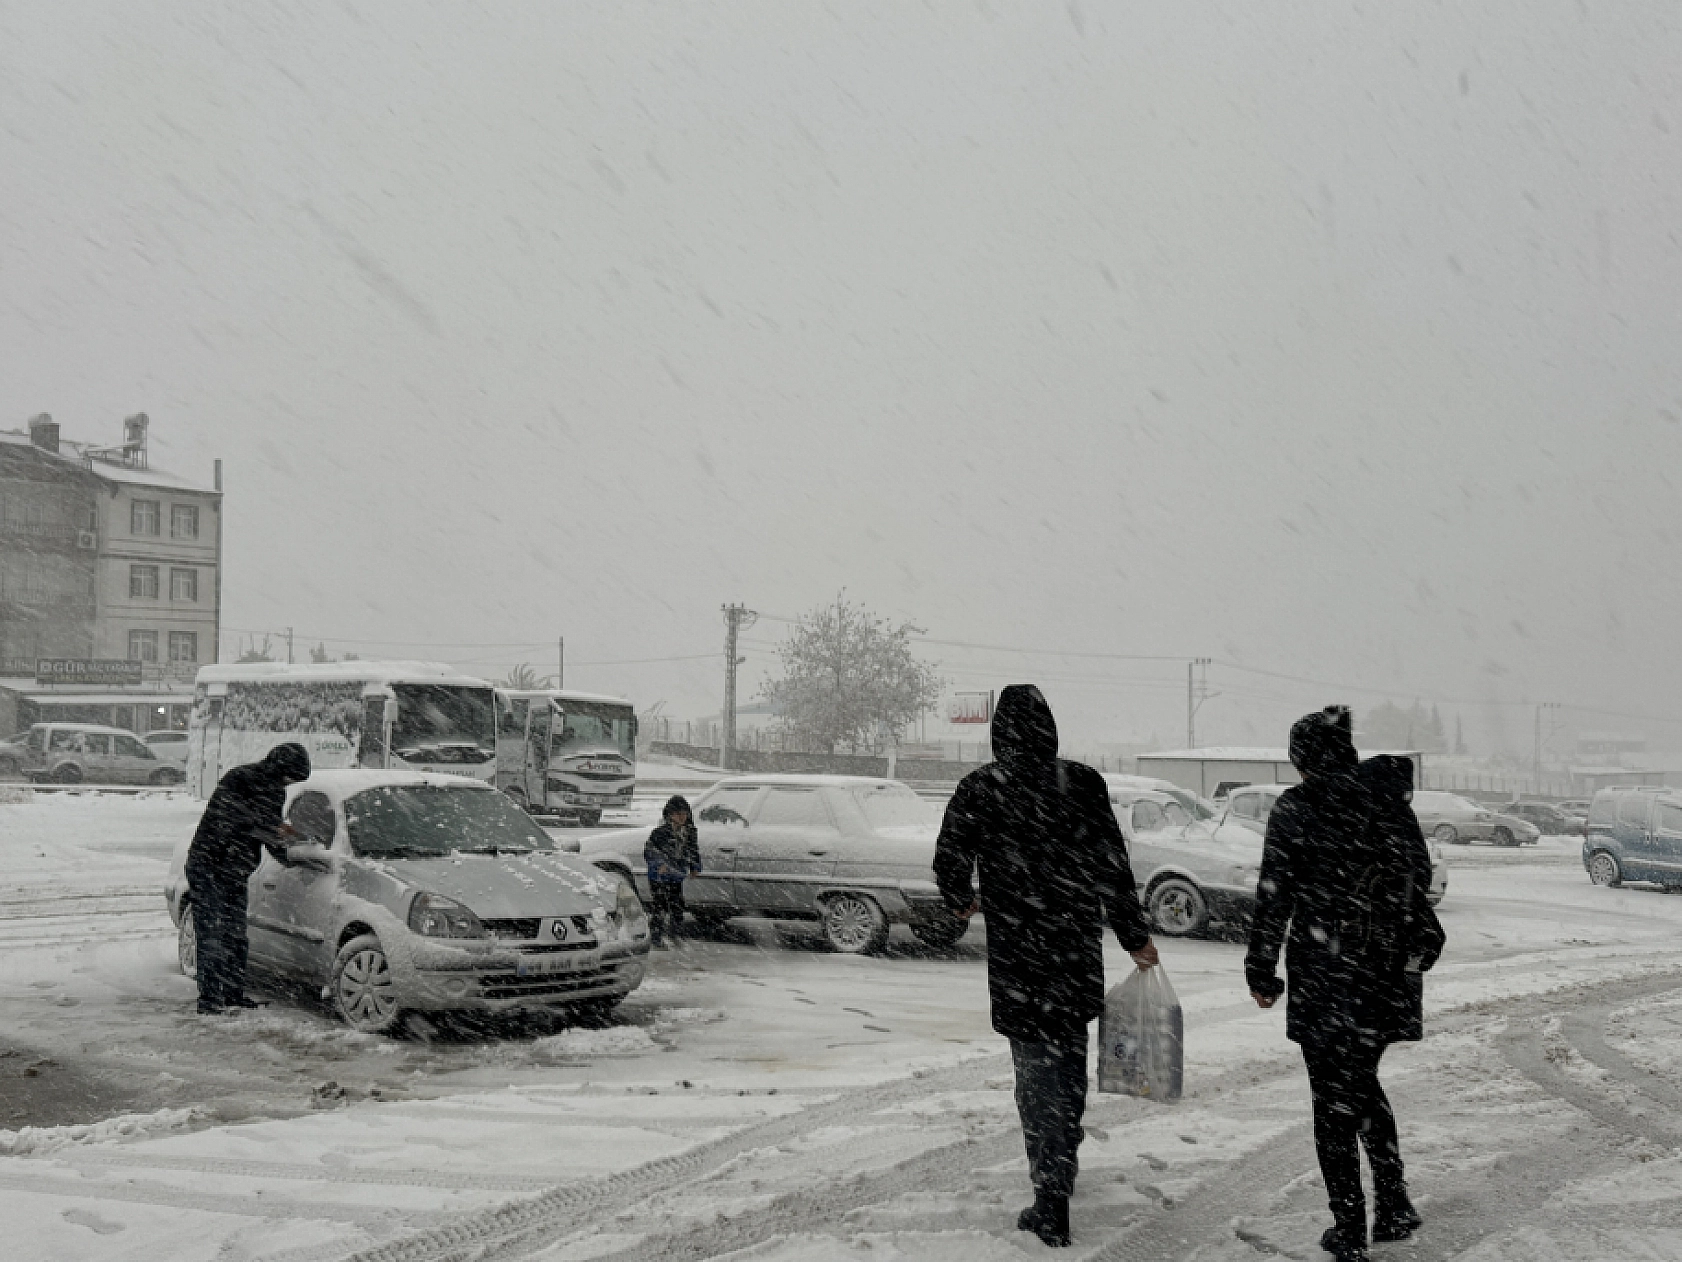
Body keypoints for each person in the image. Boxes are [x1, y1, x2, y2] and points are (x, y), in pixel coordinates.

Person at [934, 684, 1158, 1249]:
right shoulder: (1082, 783)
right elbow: (1114, 866)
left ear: (998, 732)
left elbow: (950, 859)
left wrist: (960, 898)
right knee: (1068, 1059)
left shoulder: (980, 788)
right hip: (1074, 951)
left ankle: (1049, 1196)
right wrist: (1134, 937)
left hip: (1017, 955)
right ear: (1050, 727)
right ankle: (1067, 1151)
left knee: (1034, 1074)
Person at [1245, 711, 1445, 1262]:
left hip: (1326, 977)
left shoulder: (1298, 807)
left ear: (1303, 757)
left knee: (1333, 1104)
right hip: (1384, 976)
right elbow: (1420, 879)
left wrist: (1261, 968)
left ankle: (1351, 1229)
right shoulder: (1386, 801)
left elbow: (1273, 894)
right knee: (1359, 1086)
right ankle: (1395, 1200)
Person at [184, 743, 311, 1014]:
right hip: (208, 865)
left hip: (235, 870)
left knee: (235, 934)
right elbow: (233, 819)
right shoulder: (239, 778)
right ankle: (209, 999)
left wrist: (293, 854)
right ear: (278, 767)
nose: (289, 783)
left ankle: (232, 993)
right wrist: (272, 829)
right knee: (212, 933)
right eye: (289, 776)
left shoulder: (276, 791)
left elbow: (269, 832)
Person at [643, 794, 701, 948]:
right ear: (669, 815)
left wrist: (694, 866)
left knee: (677, 905)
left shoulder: (689, 832)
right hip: (659, 876)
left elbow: (693, 850)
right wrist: (659, 864)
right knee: (660, 906)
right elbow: (650, 851)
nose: (682, 817)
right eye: (678, 814)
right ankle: (656, 937)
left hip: (676, 874)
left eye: (684, 814)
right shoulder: (659, 832)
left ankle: (676, 934)